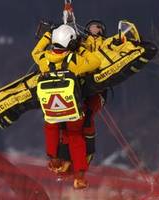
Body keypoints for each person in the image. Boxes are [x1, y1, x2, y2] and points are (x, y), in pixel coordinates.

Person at [32, 24, 101, 189]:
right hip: (73, 109)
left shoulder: (44, 60)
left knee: (50, 127)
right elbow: (95, 62)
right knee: (76, 136)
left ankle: (54, 159)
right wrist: (82, 49)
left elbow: (34, 52)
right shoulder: (73, 60)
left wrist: (48, 35)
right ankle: (80, 175)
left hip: (52, 109)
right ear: (71, 43)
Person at [53, 20, 108, 175]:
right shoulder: (82, 41)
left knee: (88, 116)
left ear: (102, 31)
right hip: (80, 87)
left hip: (97, 90)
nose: (93, 30)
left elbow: (100, 58)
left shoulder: (103, 43)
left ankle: (86, 153)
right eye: (91, 27)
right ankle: (65, 157)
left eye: (97, 27)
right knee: (66, 121)